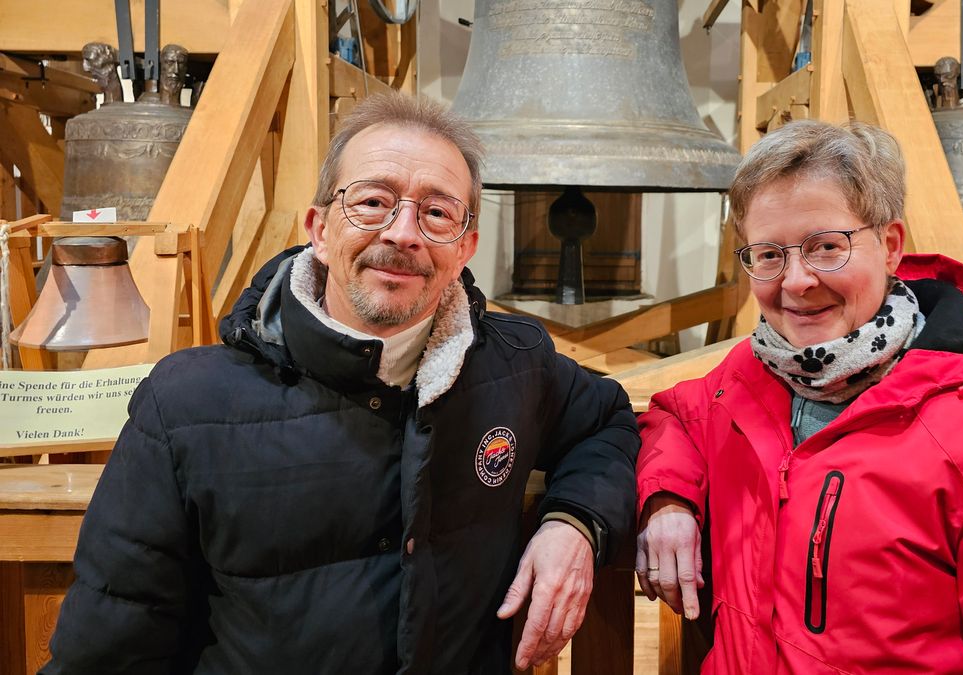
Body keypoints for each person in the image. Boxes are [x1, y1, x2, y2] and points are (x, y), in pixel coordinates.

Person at [43, 91, 639, 674]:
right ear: (320, 229)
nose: (403, 234)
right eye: (374, 202)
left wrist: (575, 525)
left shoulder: (515, 366)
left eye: (436, 213)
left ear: (464, 249)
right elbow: (112, 642)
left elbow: (608, 422)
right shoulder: (187, 405)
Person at [635, 119, 963, 673]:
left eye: (826, 247)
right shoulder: (749, 376)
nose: (796, 281)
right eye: (769, 254)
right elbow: (675, 418)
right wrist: (669, 500)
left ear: (890, 246)